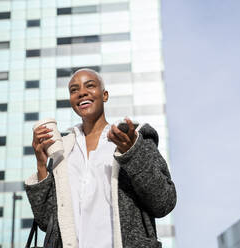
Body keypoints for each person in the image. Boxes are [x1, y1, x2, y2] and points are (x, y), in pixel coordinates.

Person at [24, 68, 177, 248]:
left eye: (90, 86)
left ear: (104, 95)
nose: (81, 93)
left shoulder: (132, 138)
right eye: (74, 90)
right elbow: (47, 222)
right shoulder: (63, 150)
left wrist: (131, 153)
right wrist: (42, 164)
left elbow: (164, 202)